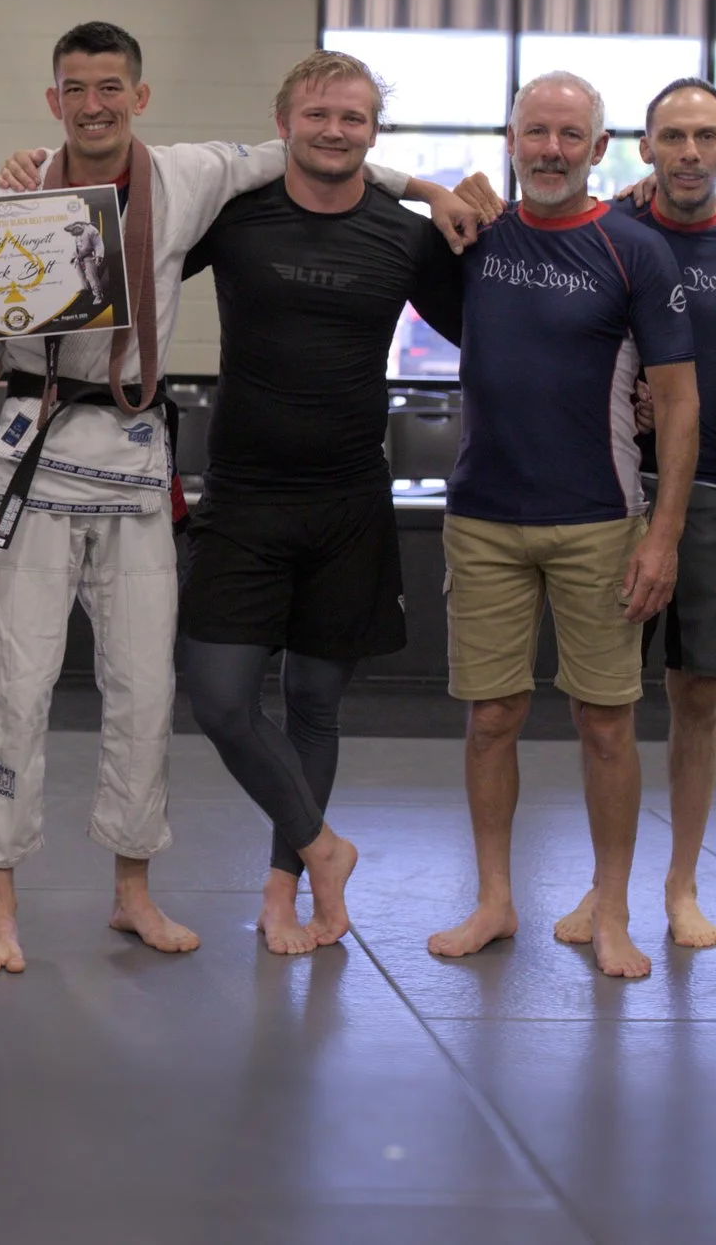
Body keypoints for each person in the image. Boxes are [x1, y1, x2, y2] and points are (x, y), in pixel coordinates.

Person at [0, 21, 481, 974]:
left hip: (137, 453)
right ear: (54, 101)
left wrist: (432, 186)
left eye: (112, 86)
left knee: (146, 692)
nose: (96, 103)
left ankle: (134, 894)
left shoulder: (193, 176)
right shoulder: (17, 198)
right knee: (20, 693)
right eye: (78, 88)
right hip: (33, 457)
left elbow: (316, 151)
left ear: (139, 97)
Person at [176, 50, 469, 955]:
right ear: (284, 123)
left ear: (373, 133)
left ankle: (284, 893)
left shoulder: (407, 235)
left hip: (347, 501)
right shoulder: (234, 216)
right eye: (318, 116)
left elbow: (494, 328)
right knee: (219, 698)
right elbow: (121, 263)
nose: (335, 131)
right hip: (244, 499)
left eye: (354, 118)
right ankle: (322, 847)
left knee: (313, 704)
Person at [424, 70, 698, 982]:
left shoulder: (634, 251)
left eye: (568, 135)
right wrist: (433, 192)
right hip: (484, 518)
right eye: (534, 132)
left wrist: (662, 535)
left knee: (606, 725)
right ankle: (496, 900)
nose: (549, 149)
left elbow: (678, 402)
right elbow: (353, 175)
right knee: (492, 717)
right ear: (510, 139)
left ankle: (612, 909)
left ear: (599, 149)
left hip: (599, 522)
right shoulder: (474, 238)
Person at [541, 78, 716, 953]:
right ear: (644, 148)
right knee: (603, 704)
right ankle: (604, 885)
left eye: (705, 136)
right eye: (672, 137)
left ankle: (682, 886)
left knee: (697, 697)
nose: (689, 152)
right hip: (612, 491)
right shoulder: (614, 231)